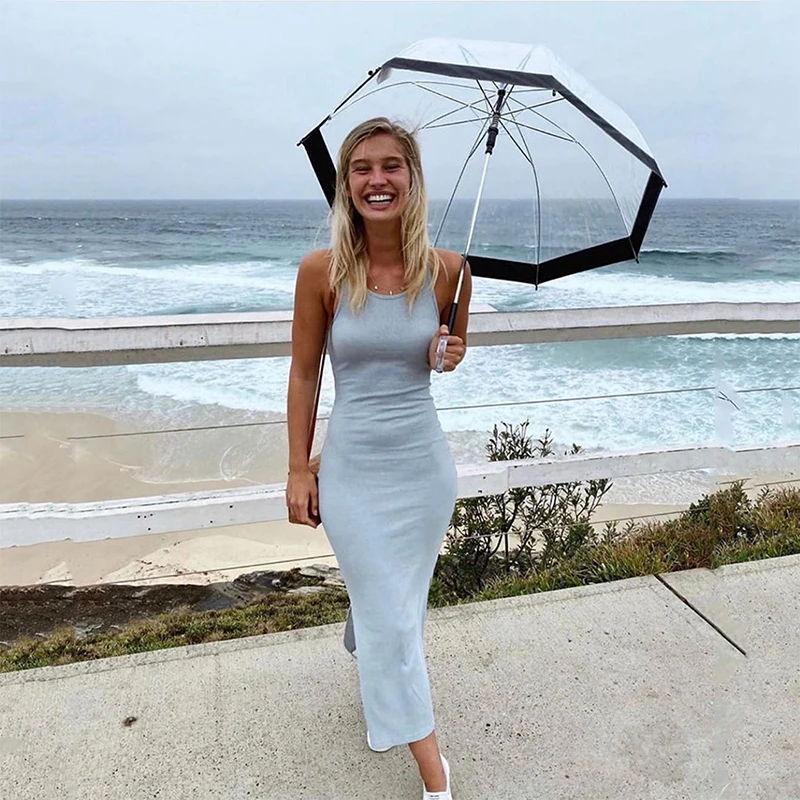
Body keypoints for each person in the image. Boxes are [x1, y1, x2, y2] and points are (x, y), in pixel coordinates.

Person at [286, 116, 471, 799]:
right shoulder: (323, 272)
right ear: (346, 184)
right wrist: (298, 467)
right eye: (362, 168)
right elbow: (304, 372)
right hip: (353, 473)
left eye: (391, 165)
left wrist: (449, 352)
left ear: (412, 179)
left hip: (423, 472)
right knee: (393, 622)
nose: (377, 180)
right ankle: (435, 775)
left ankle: (371, 661)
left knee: (398, 610)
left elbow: (449, 353)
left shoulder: (451, 271)